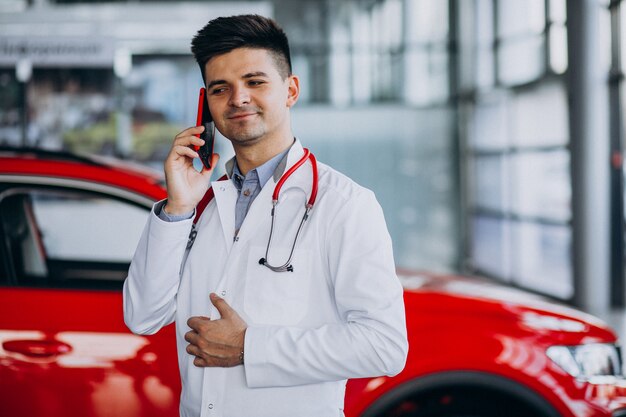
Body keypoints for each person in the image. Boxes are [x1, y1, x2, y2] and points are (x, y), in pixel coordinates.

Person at [123, 14, 408, 417]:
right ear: (206, 103)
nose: (238, 98)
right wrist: (177, 208)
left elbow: (385, 346)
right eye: (221, 88)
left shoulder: (344, 204)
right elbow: (143, 316)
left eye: (255, 82)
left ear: (290, 90)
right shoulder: (198, 201)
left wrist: (248, 348)